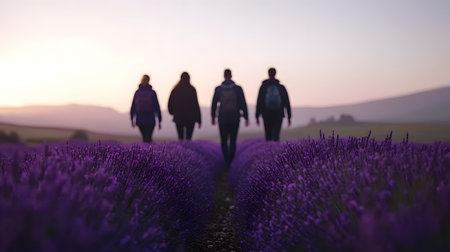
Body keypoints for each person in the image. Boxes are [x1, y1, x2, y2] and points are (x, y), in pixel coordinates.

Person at [211, 69, 249, 166]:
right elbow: (243, 102)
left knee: (224, 141)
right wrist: (246, 117)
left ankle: (226, 161)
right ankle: (231, 161)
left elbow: (214, 103)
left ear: (224, 76)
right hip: (234, 117)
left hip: (222, 118)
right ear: (231, 76)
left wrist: (213, 116)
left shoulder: (218, 89)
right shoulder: (238, 88)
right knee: (233, 140)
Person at [256, 67, 291, 141]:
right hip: (278, 114)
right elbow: (286, 102)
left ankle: (269, 151)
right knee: (276, 136)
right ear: (275, 74)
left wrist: (257, 116)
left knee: (268, 136)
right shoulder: (281, 87)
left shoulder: (263, 87)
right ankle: (276, 150)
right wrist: (289, 116)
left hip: (266, 114)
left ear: (268, 74)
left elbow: (259, 101)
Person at [168, 72, 201, 140]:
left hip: (178, 117)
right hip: (191, 118)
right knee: (189, 138)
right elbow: (196, 104)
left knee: (180, 138)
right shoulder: (192, 89)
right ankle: (188, 149)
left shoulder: (175, 89)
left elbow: (170, 102)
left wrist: (172, 112)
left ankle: (181, 149)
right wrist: (199, 119)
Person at [130, 74, 162, 143]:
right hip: (150, 119)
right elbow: (157, 106)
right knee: (148, 138)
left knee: (145, 138)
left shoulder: (137, 92)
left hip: (139, 119)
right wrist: (159, 120)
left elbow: (133, 106)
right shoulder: (152, 92)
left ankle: (145, 152)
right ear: (149, 80)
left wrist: (132, 118)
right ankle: (149, 152)